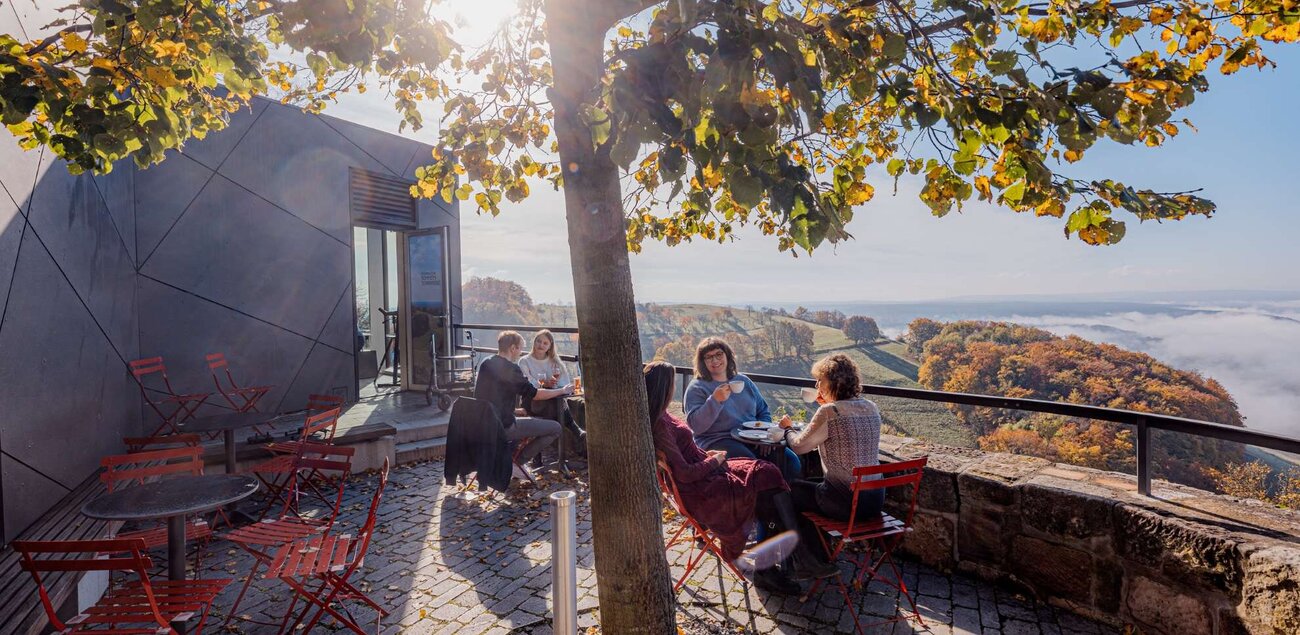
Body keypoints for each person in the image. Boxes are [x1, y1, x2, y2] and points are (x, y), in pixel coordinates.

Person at [646, 362, 836, 594]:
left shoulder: (663, 416)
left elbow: (688, 454)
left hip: (708, 471)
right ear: (664, 388)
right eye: (672, 383)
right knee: (767, 483)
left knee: (768, 477)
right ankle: (789, 561)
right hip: (700, 488)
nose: (674, 387)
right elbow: (685, 473)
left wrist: (708, 455)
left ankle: (785, 562)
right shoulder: (660, 425)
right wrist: (714, 460)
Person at [779, 354, 885, 562]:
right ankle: (819, 552)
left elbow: (799, 446)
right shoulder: (871, 407)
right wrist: (826, 404)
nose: (816, 385)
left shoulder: (830, 411)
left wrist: (787, 428)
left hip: (846, 503)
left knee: (787, 491)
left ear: (834, 382)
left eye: (820, 380)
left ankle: (807, 559)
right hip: (874, 501)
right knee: (810, 486)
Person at [683, 338, 801, 481]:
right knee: (755, 469)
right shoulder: (697, 387)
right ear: (702, 362)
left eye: (719, 354)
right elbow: (696, 426)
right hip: (718, 440)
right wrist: (715, 401)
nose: (715, 360)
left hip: (752, 437)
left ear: (727, 355)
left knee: (791, 463)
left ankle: (779, 492)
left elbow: (763, 411)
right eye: (708, 357)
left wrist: (765, 435)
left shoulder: (743, 381)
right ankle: (769, 494)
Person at [474, 331, 572, 480]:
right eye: (520, 348)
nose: (521, 352)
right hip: (502, 426)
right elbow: (535, 394)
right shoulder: (511, 369)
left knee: (530, 420)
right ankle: (516, 463)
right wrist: (562, 391)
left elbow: (489, 396)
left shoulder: (486, 363)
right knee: (555, 428)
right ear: (513, 348)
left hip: (482, 424)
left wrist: (514, 410)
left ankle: (507, 459)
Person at [517, 330, 585, 452]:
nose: (541, 345)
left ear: (550, 346)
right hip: (531, 401)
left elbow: (564, 383)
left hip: (551, 400)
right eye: (539, 341)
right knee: (556, 406)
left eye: (545, 343)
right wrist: (544, 384)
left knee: (555, 402)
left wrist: (553, 384)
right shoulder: (524, 361)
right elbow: (528, 384)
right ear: (534, 342)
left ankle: (544, 452)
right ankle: (575, 431)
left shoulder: (554, 361)